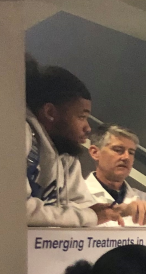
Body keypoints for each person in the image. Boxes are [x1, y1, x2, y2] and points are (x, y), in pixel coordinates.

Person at [25, 55, 120, 227]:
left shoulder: (64, 152)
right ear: (50, 112)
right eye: (82, 117)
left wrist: (106, 212)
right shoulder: (19, 134)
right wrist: (89, 216)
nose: (88, 128)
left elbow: (84, 207)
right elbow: (17, 210)